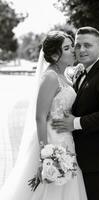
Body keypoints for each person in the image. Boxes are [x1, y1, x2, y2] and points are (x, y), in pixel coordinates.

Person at [0, 31, 87, 199]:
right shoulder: (50, 77)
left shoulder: (65, 75)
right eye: (67, 48)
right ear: (55, 55)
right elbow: (40, 117)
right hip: (52, 140)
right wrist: (45, 155)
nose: (73, 51)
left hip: (67, 139)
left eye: (71, 46)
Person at [52, 26, 99, 200]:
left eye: (87, 45)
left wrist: (74, 123)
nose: (81, 50)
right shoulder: (80, 73)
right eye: (77, 46)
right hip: (82, 158)